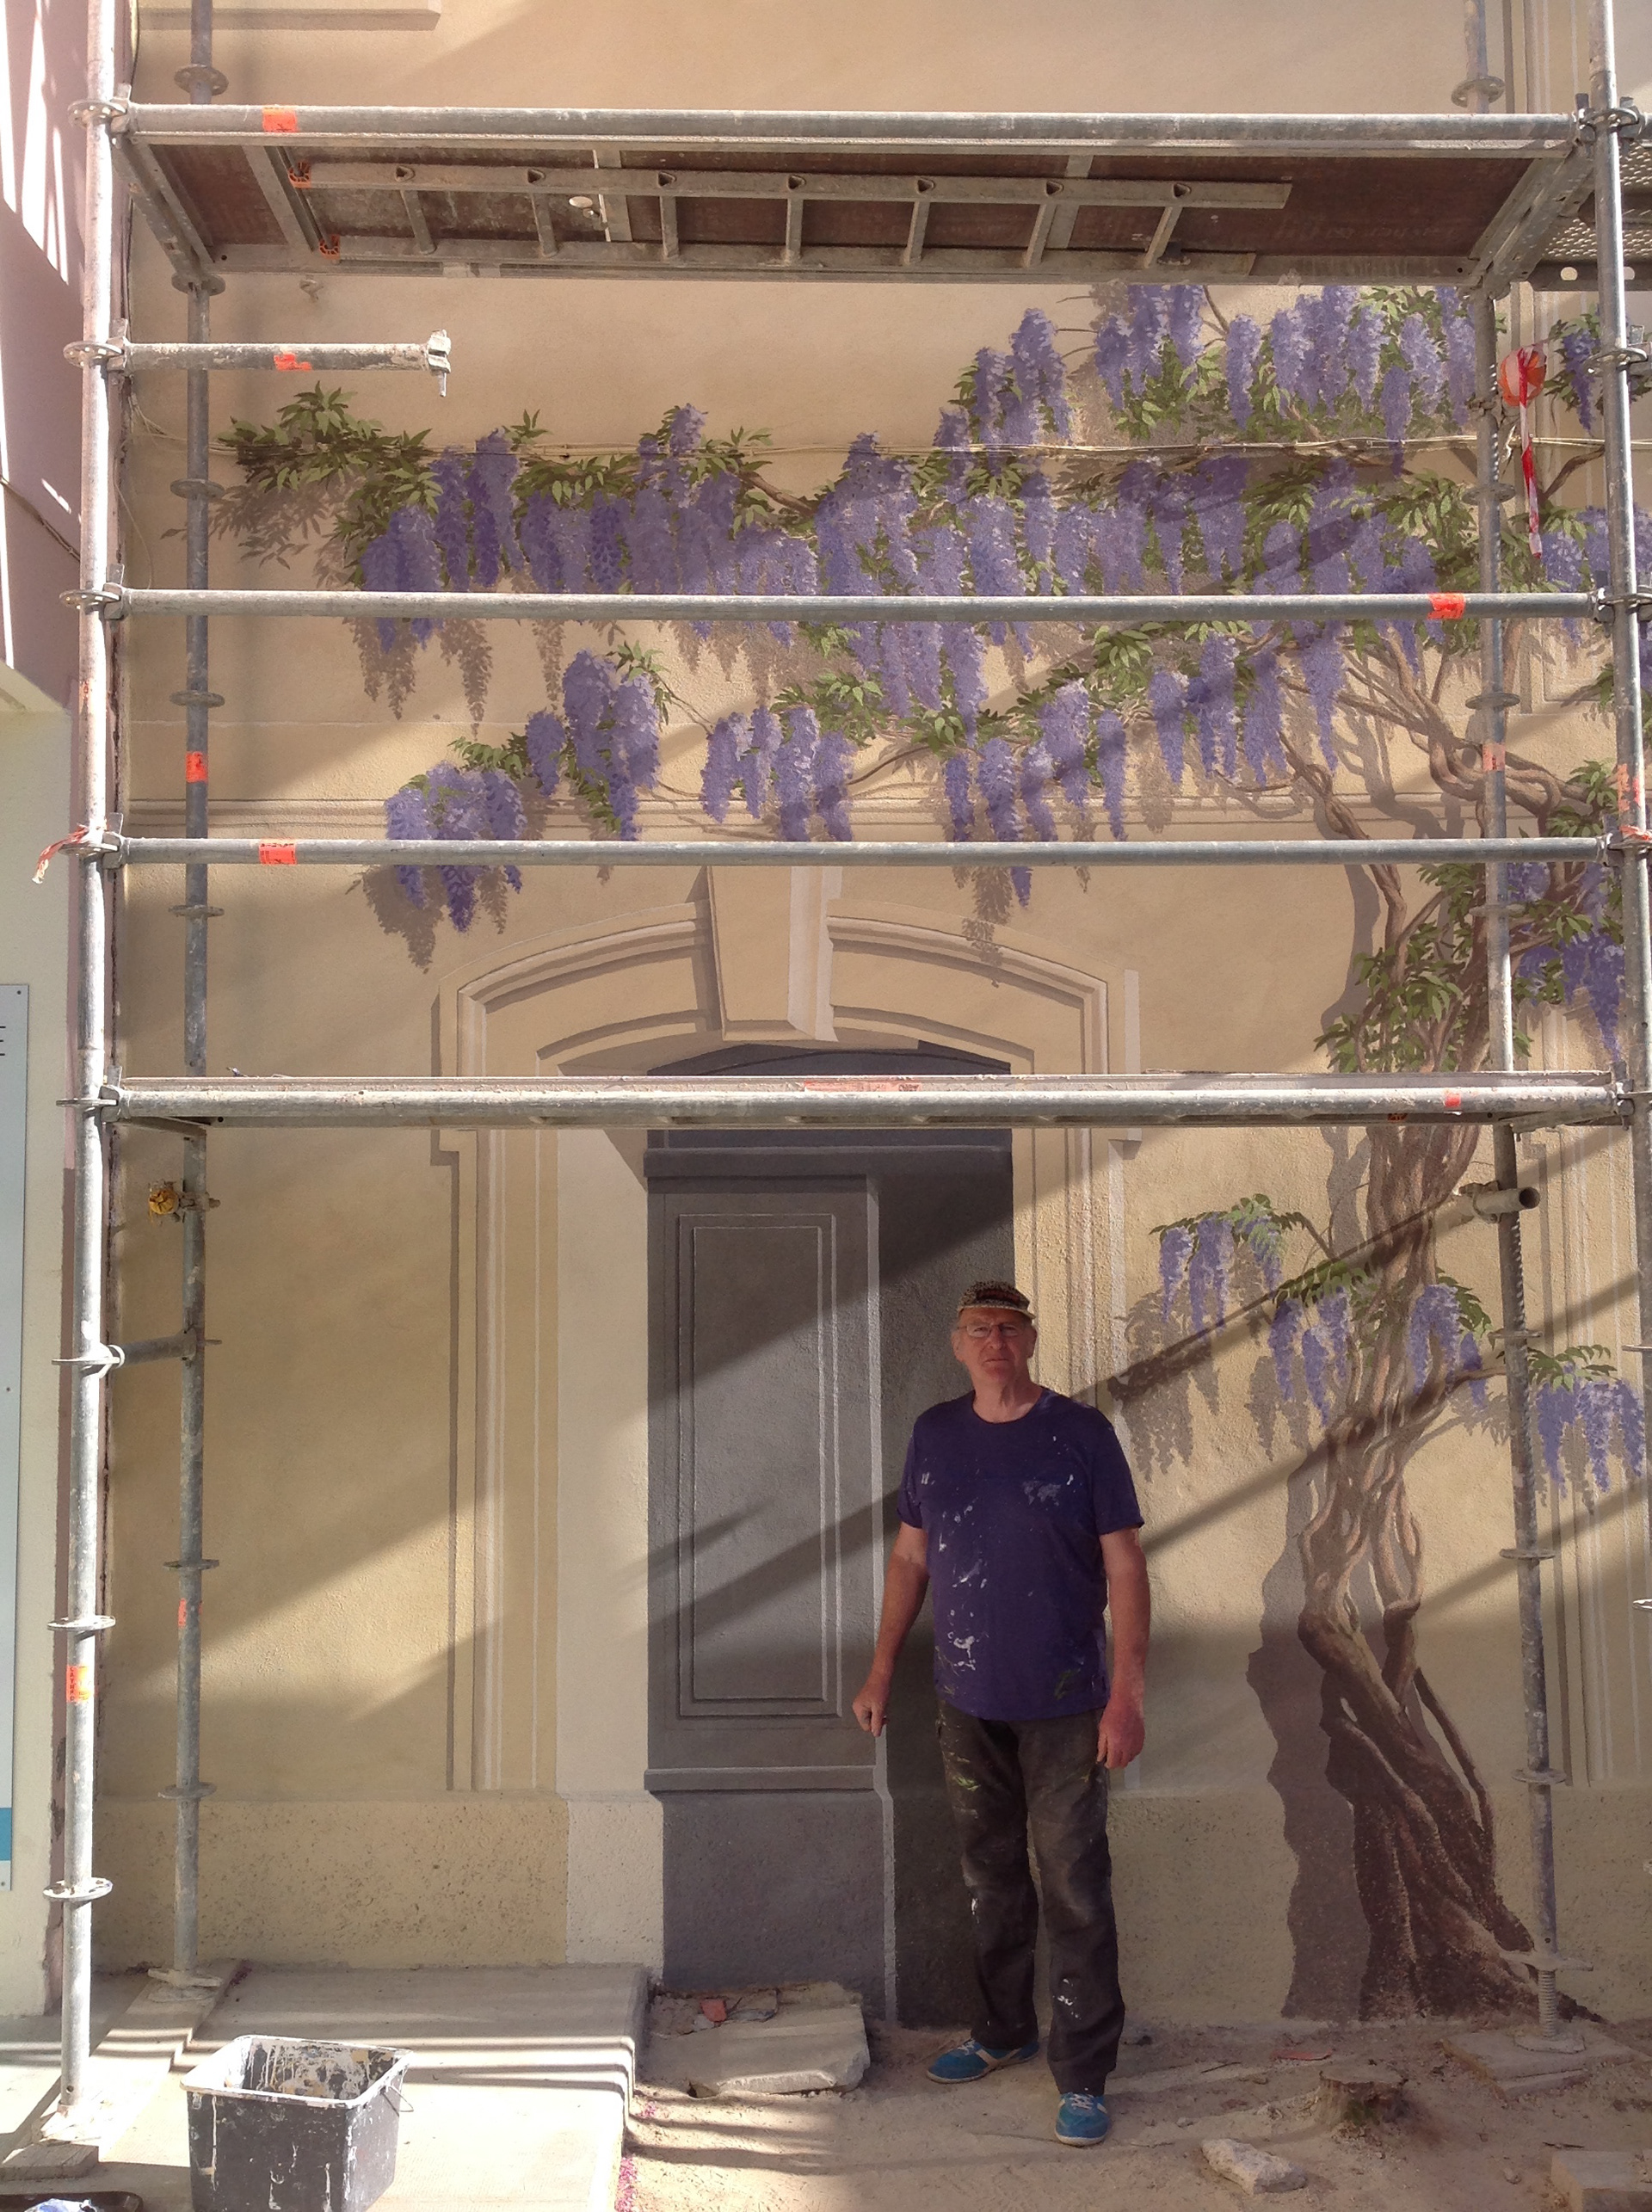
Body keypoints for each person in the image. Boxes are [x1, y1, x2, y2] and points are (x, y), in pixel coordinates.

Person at [852, 1279, 1149, 2150]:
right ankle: (1003, 2029)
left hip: (1066, 1705)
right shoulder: (935, 1438)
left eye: (1009, 1328)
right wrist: (879, 1671)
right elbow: (911, 1559)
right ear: (958, 1345)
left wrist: (1127, 1697)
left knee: (1074, 1886)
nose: (994, 1342)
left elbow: (1125, 1566)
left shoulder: (1081, 1435)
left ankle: (1085, 2073)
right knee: (991, 1880)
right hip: (965, 1699)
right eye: (979, 1328)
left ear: (1031, 1340)